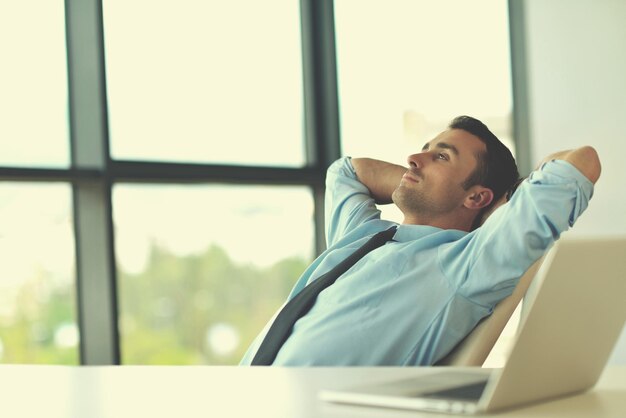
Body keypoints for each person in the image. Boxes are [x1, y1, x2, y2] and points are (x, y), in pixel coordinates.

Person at [240, 115, 600, 366]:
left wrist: (493, 214)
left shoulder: (467, 264)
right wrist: (424, 184)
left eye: (440, 157)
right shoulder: (362, 234)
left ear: (477, 197)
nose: (414, 159)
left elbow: (580, 163)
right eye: (424, 150)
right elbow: (347, 171)